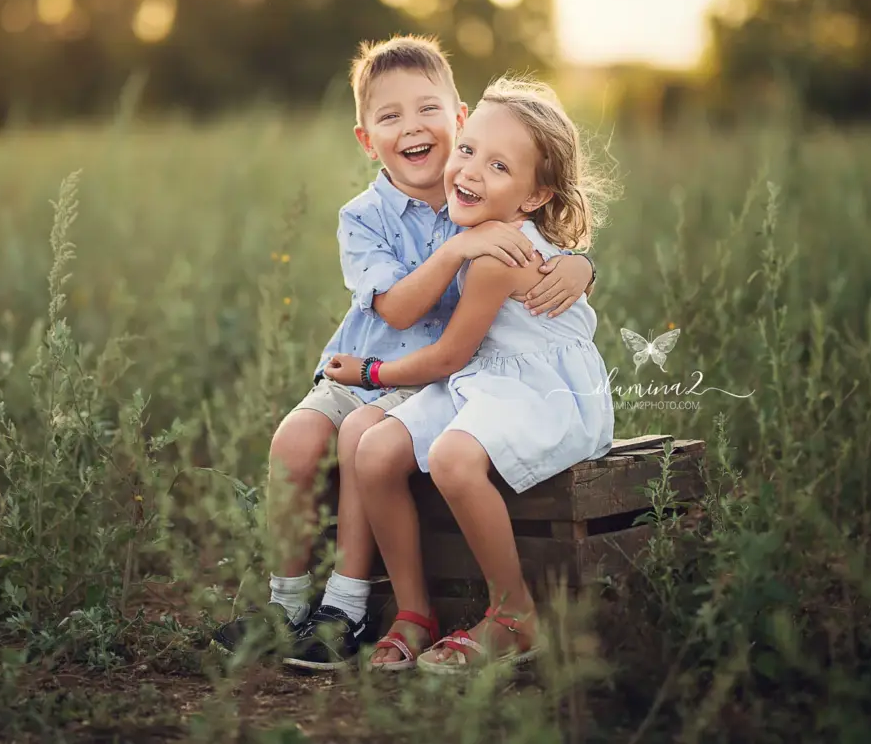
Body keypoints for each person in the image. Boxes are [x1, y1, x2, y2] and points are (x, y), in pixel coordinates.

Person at [213, 39, 596, 664]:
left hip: (427, 377)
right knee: (293, 443)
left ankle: (348, 605)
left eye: (427, 110)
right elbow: (394, 308)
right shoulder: (369, 216)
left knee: (360, 436)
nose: (413, 127)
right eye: (390, 116)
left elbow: (541, 246)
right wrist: (454, 252)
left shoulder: (478, 194)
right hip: (365, 362)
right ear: (367, 140)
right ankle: (285, 603)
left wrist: (583, 266)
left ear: (458, 119)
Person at [322, 76, 614, 673]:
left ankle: (514, 614)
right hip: (484, 381)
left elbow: (447, 357)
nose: (471, 172)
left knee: (453, 457)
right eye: (468, 150)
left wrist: (371, 371)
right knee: (374, 452)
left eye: (499, 166)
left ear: (534, 196)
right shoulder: (468, 226)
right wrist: (583, 264)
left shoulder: (496, 257)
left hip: (545, 392)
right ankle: (414, 612)